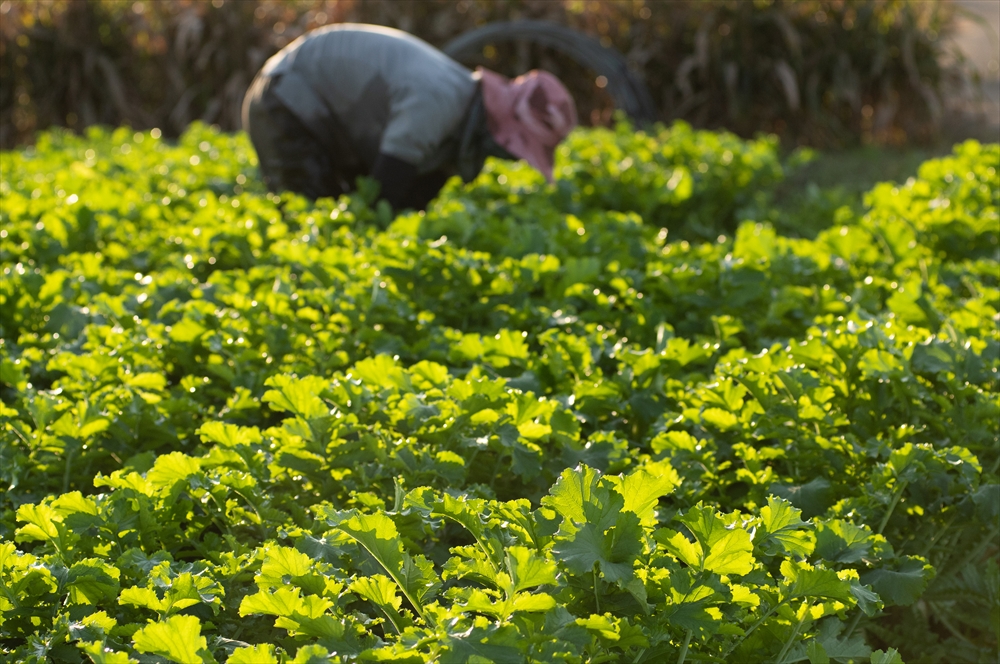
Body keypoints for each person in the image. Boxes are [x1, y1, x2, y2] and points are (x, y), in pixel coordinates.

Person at [242, 23, 578, 211]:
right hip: (286, 97)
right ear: (507, 129)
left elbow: (417, 194)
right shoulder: (438, 101)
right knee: (308, 213)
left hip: (328, 116)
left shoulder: (459, 116)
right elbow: (387, 188)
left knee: (332, 209)